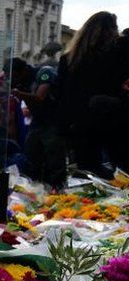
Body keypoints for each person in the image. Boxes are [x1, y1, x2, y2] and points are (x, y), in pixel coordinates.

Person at [55, 11, 121, 176]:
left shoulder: (68, 60)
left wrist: (65, 128)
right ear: (108, 31)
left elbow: (61, 96)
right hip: (110, 124)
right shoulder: (114, 56)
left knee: (87, 173)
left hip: (79, 127)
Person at [7, 58, 65, 187]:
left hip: (53, 121)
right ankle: (35, 187)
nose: (14, 80)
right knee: (32, 153)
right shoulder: (19, 82)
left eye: (15, 76)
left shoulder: (44, 73)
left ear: (24, 71)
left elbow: (40, 97)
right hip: (37, 121)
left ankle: (57, 189)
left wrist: (17, 93)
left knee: (54, 156)